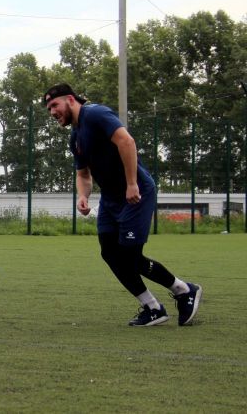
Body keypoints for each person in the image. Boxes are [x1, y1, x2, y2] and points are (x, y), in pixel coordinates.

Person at [43, 83, 202, 326]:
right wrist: (83, 196)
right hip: (110, 199)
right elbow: (83, 174)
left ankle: (184, 290)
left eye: (54, 105)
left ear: (71, 100)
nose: (52, 112)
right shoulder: (75, 137)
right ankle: (153, 307)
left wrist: (131, 183)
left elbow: (126, 141)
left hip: (136, 193)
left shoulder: (95, 114)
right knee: (109, 252)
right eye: (48, 108)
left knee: (130, 256)